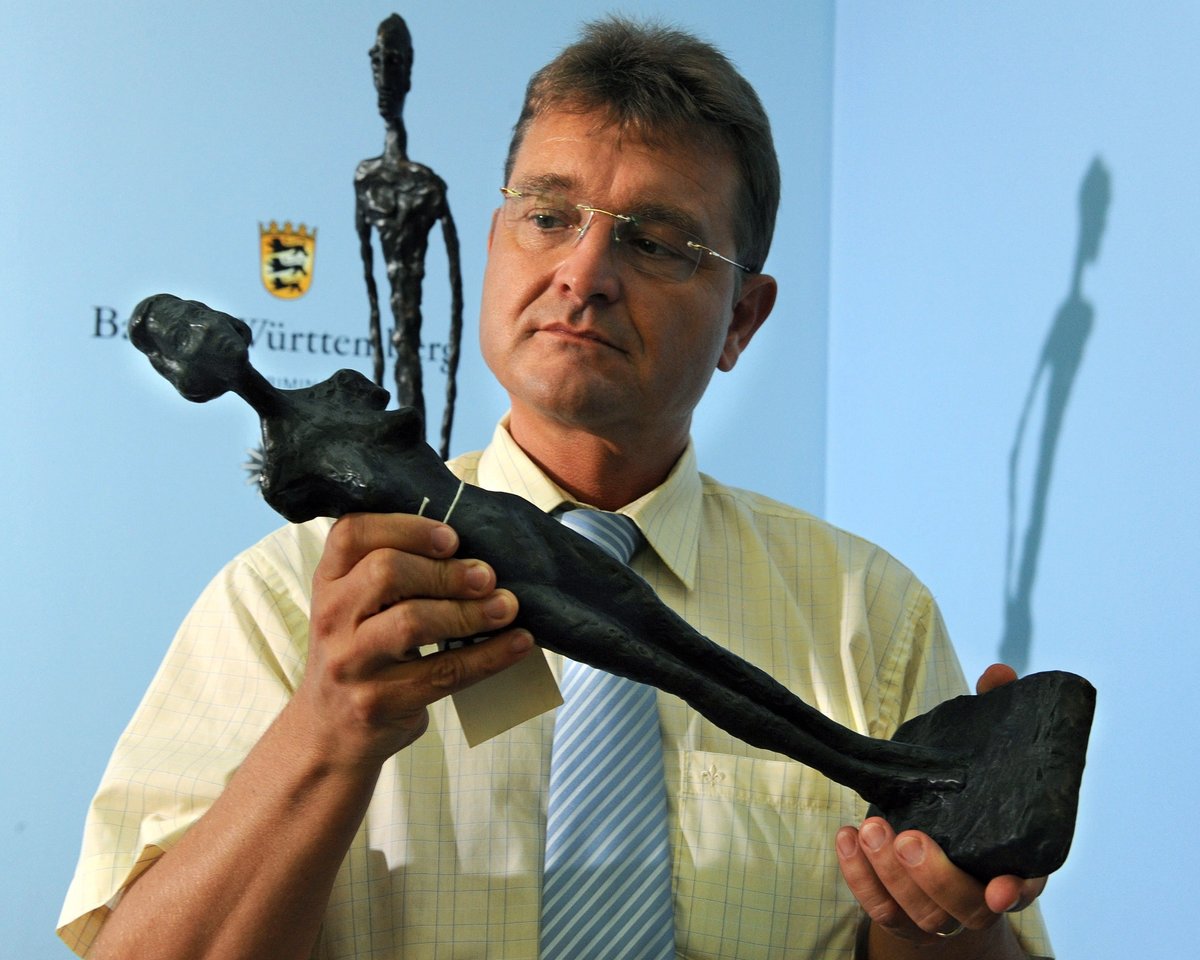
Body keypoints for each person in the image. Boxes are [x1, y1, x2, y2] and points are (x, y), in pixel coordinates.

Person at [60, 16, 1054, 960]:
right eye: (546, 215)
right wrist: (326, 732)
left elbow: (959, 933)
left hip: (512, 543)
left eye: (657, 240)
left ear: (743, 319)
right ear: (497, 247)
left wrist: (943, 914)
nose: (583, 272)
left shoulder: (870, 621)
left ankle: (898, 771)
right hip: (461, 559)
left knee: (717, 680)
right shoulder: (281, 606)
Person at [355, 13, 463, 460]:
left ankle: (421, 458)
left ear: (409, 70)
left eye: (394, 62)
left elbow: (457, 308)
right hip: (396, 342)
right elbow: (372, 298)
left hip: (414, 332)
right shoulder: (366, 178)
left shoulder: (428, 186)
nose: (384, 74)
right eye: (377, 62)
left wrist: (441, 441)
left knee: (410, 353)